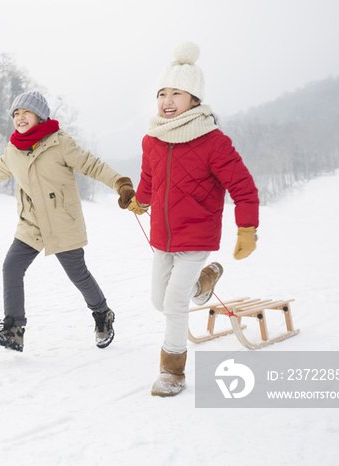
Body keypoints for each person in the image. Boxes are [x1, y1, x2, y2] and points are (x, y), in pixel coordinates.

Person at [0, 90, 135, 352]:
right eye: (15, 113)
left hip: (62, 219)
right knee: (12, 267)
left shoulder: (60, 143)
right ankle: (13, 330)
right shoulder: (14, 149)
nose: (19, 117)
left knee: (77, 275)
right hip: (32, 222)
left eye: (26, 111)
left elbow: (92, 165)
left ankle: (102, 314)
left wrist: (121, 184)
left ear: (40, 116)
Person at [126, 42, 260, 396]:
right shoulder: (152, 139)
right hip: (162, 237)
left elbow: (242, 185)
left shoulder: (213, 141)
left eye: (177, 94)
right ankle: (205, 284)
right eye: (162, 94)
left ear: (195, 100)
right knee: (159, 300)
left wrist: (247, 227)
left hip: (197, 236)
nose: (167, 101)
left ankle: (173, 371)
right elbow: (149, 181)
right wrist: (140, 202)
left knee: (172, 304)